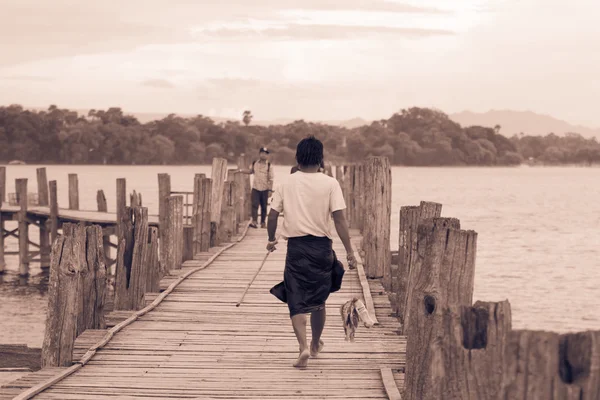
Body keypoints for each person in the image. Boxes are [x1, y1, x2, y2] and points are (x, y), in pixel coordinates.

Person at [266, 135, 357, 369]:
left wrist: (271, 239)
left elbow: (273, 215)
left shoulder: (286, 183)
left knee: (296, 298)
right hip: (321, 248)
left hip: (296, 248)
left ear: (298, 158)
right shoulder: (330, 183)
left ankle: (303, 346)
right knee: (318, 299)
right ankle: (316, 344)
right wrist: (349, 252)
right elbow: (340, 220)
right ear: (321, 159)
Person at [239, 147, 274, 228]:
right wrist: (240, 171)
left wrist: (270, 190)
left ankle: (263, 222)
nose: (263, 155)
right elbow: (250, 171)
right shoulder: (255, 163)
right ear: (259, 154)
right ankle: (254, 222)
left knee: (264, 206)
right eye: (262, 153)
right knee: (254, 205)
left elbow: (271, 179)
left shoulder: (269, 166)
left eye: (265, 153)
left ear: (267, 155)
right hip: (255, 188)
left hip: (265, 189)